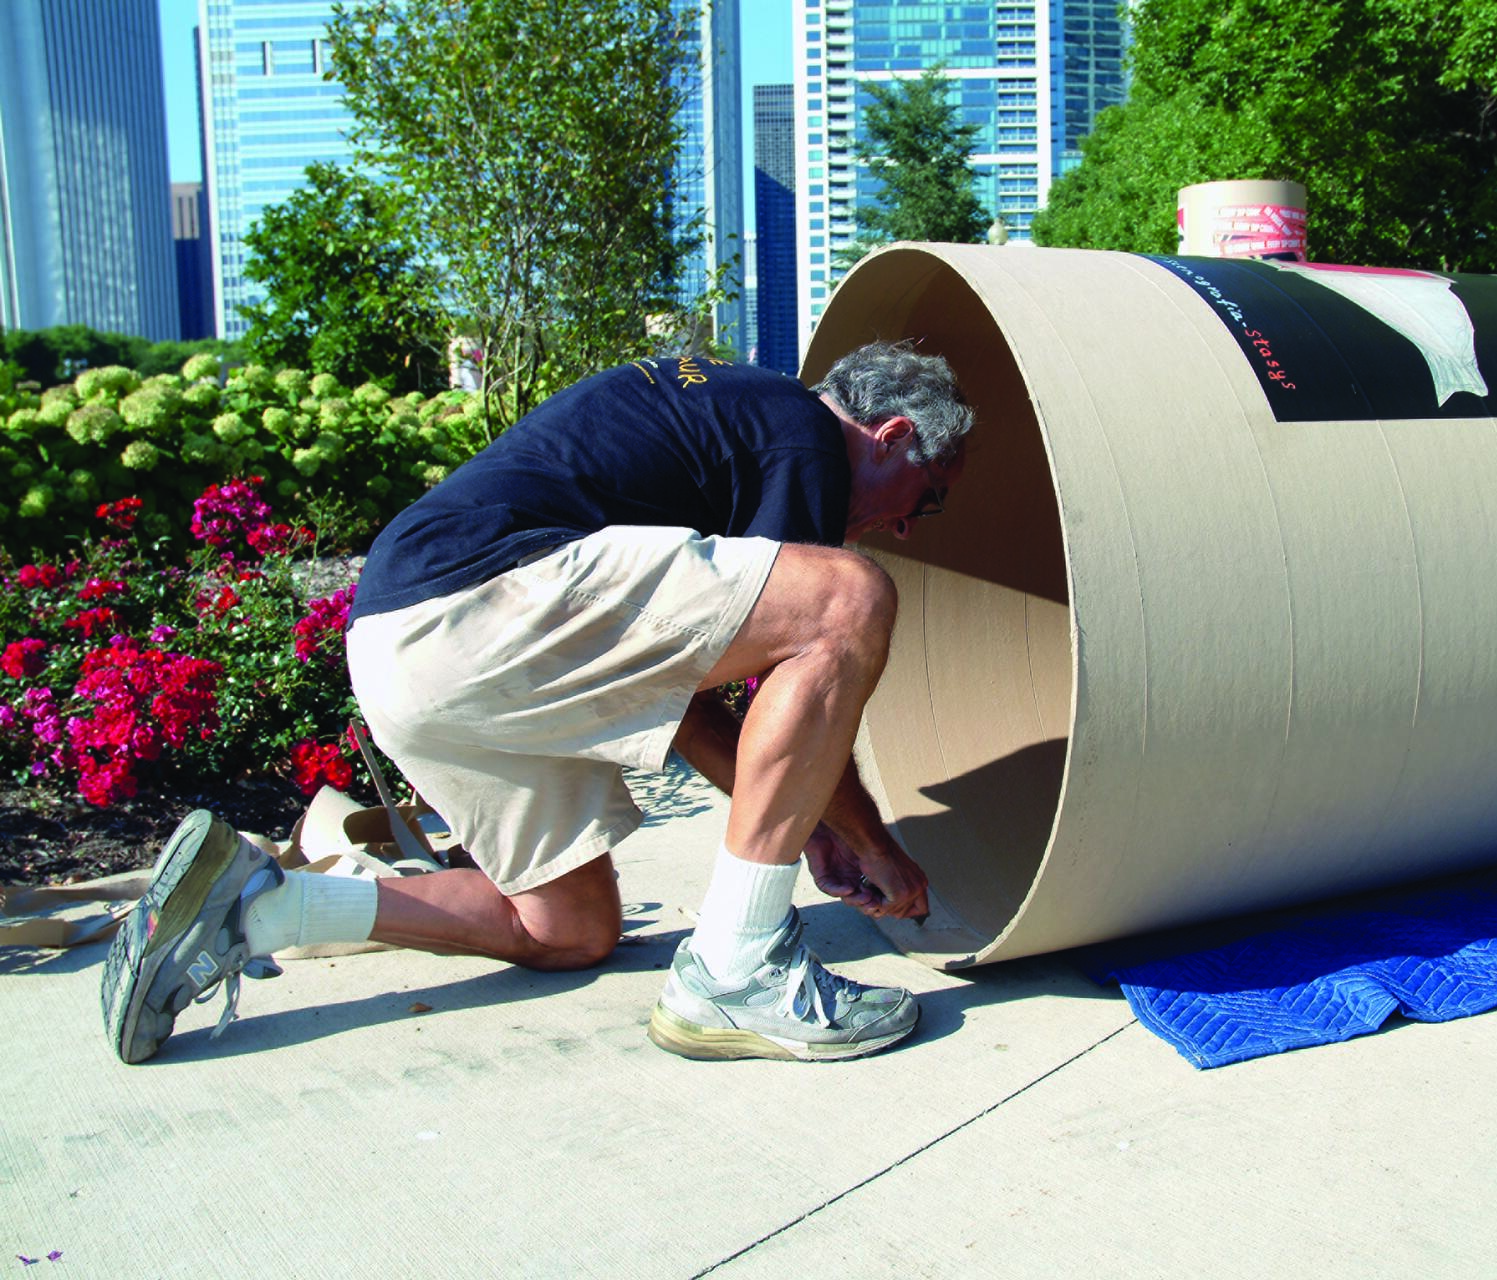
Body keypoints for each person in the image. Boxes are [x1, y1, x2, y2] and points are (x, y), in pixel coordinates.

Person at [101, 342, 972, 1066]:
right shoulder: (803, 441)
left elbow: (680, 692)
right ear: (890, 434)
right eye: (925, 502)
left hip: (405, 653)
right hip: (476, 605)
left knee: (566, 930)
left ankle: (259, 905)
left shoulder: (733, 420)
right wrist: (871, 842)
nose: (905, 527)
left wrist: (812, 829)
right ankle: (737, 965)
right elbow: (803, 657)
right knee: (849, 598)